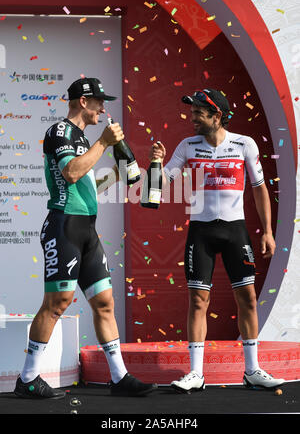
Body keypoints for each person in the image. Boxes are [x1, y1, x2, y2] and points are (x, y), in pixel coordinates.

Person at [14, 77, 157, 399]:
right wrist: (104, 143)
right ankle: (27, 378)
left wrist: (127, 170)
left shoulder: (82, 138)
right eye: (99, 102)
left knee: (104, 303)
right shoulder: (60, 131)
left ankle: (119, 377)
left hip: (87, 230)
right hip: (64, 226)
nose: (103, 109)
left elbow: (89, 182)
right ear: (83, 101)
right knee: (57, 303)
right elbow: (71, 173)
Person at [150, 88, 285, 393]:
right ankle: (196, 374)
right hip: (201, 233)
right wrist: (156, 162)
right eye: (193, 111)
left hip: (235, 231)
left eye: (198, 112)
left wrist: (267, 231)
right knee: (198, 301)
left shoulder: (244, 144)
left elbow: (259, 188)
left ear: (216, 116)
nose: (192, 117)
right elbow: (160, 185)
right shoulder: (187, 145)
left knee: (248, 299)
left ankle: (252, 370)